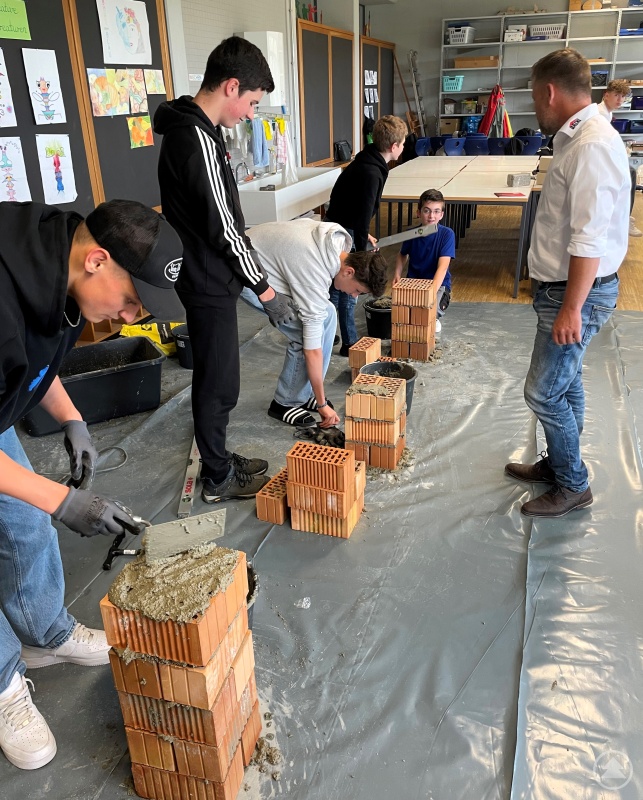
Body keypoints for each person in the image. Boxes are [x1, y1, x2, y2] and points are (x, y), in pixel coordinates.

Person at [0, 199, 184, 771]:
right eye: (131, 301)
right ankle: (4, 686)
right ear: (98, 261)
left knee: (23, 518)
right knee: (36, 504)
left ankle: (45, 632)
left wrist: (72, 418)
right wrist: (62, 499)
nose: (131, 317)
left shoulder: (64, 260)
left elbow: (38, 358)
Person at [154, 37, 297, 504]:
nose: (252, 114)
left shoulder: (199, 130)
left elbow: (221, 216)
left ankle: (217, 458)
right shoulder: (194, 136)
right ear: (231, 86)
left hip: (209, 275)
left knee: (220, 377)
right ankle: (216, 477)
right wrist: (265, 290)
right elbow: (222, 224)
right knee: (218, 383)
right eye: (252, 102)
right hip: (207, 279)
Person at [505, 49, 630, 518]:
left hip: (577, 291)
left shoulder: (592, 146)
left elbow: (589, 239)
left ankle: (573, 483)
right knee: (567, 381)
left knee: (542, 392)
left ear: (549, 92)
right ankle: (559, 464)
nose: (534, 106)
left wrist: (571, 308)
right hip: (563, 288)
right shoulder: (575, 139)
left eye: (536, 96)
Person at [241, 219, 388, 426]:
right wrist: (321, 404)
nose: (354, 296)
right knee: (304, 334)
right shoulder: (313, 272)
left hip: (269, 260)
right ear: (349, 272)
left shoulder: (339, 245)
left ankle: (303, 392)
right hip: (246, 272)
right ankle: (284, 403)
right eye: (358, 291)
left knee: (327, 312)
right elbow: (312, 350)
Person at [324, 115, 407, 355]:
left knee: (337, 287)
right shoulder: (372, 172)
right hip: (342, 230)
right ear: (394, 147)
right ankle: (349, 342)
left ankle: (329, 333)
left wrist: (365, 234)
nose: (403, 147)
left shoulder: (368, 158)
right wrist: (361, 253)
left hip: (342, 224)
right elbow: (360, 215)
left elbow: (355, 206)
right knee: (351, 286)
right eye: (402, 144)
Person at [392, 189, 456, 333]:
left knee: (425, 317)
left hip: (438, 286)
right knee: (403, 318)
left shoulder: (447, 235)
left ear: (441, 214)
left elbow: (443, 267)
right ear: (418, 212)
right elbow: (402, 254)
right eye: (427, 211)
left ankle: (436, 316)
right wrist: (397, 273)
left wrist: (430, 293)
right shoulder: (412, 234)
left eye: (436, 211)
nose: (431, 216)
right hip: (413, 283)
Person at [597, 78, 642, 238]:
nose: (620, 100)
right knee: (629, 174)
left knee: (629, 172)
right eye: (616, 95)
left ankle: (623, 218)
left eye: (623, 97)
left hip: (601, 158)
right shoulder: (600, 114)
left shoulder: (607, 113)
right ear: (606, 95)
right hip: (597, 161)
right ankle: (624, 220)